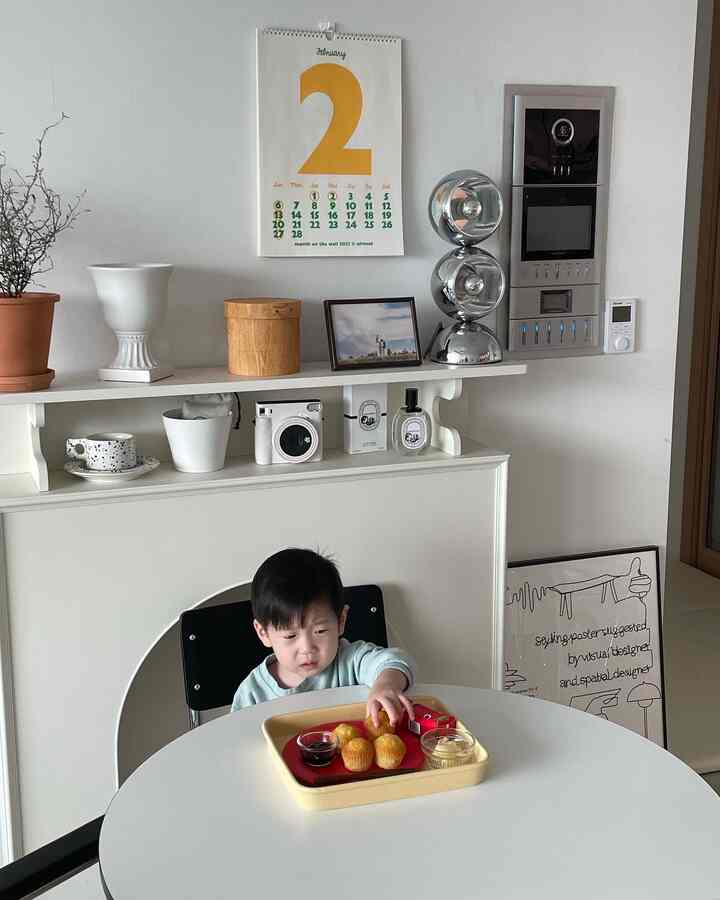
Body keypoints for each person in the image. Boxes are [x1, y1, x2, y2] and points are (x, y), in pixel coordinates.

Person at [231, 548, 416, 726]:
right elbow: (236, 740)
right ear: (264, 633)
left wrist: (386, 684)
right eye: (290, 635)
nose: (307, 648)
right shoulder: (253, 693)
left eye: (320, 631)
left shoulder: (351, 662)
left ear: (341, 620)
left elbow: (395, 661)